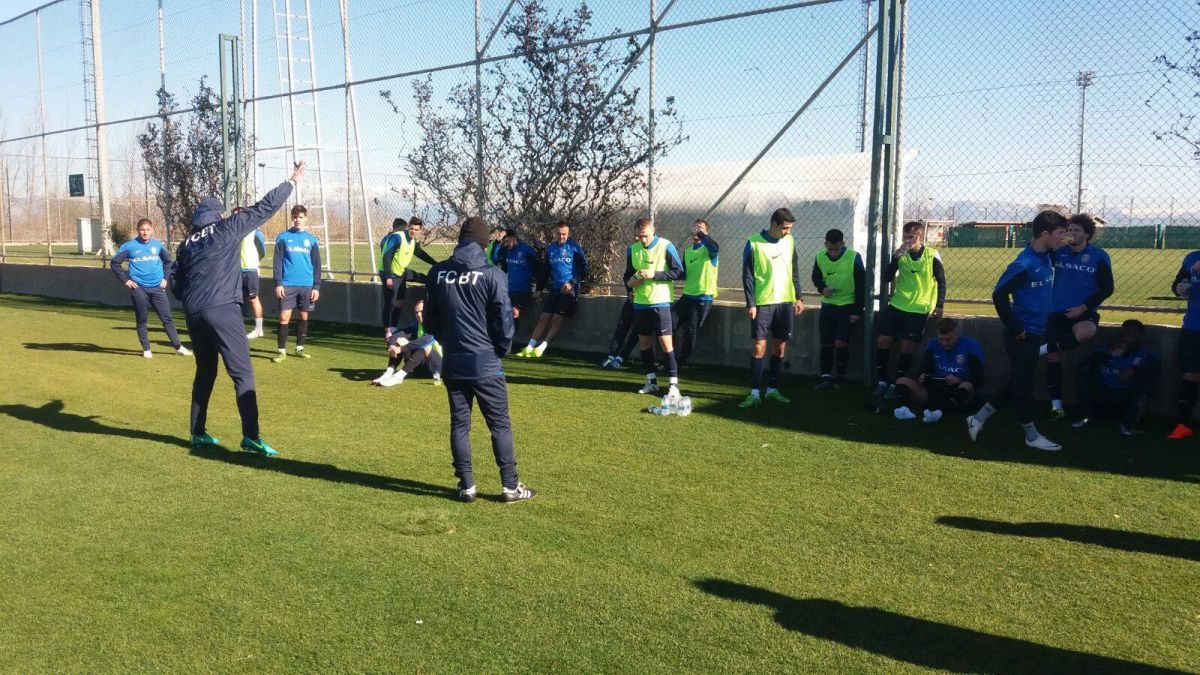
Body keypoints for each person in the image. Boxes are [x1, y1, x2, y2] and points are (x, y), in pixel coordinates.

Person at [171, 161, 306, 457]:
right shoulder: (226, 228)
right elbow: (264, 207)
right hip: (222, 308)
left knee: (205, 372)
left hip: (193, 313)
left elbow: (176, 286)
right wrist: (292, 181)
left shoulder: (186, 244)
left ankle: (197, 432)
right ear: (219, 215)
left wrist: (194, 298)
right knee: (242, 373)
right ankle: (251, 437)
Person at [424, 216, 535, 503]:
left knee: (459, 424)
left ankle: (467, 486)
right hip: (486, 362)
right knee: (499, 425)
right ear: (484, 244)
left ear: (460, 240)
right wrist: (500, 348)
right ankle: (510, 486)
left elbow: (430, 319)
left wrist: (446, 341)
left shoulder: (437, 273)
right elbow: (504, 320)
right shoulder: (493, 274)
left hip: (453, 361)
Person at [966, 210, 1068, 451]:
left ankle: (977, 419)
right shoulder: (1024, 264)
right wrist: (1015, 328)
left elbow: (1058, 246)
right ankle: (1031, 436)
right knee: (1023, 387)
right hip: (1022, 335)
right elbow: (999, 295)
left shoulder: (1046, 254)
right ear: (1045, 234)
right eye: (1059, 234)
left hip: (1035, 332)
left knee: (1017, 381)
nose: (1062, 238)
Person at [1042, 213, 1113, 418]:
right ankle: (1056, 406)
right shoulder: (1059, 252)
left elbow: (1107, 288)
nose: (1072, 233)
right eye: (1069, 230)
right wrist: (1054, 244)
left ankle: (1042, 349)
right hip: (1056, 311)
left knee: (1086, 332)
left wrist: (1083, 308)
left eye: (1077, 230)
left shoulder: (1099, 256)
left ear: (1087, 234)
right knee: (1053, 359)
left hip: (1083, 311)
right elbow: (1036, 249)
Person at [871, 221, 946, 403]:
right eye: (904, 237)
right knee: (882, 340)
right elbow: (886, 278)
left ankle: (898, 383)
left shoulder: (931, 255)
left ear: (920, 237)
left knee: (907, 345)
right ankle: (882, 381)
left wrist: (939, 305)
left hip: (920, 307)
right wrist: (895, 259)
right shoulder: (901, 254)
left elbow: (941, 281)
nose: (907, 241)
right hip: (898, 303)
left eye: (910, 237)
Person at [739, 208, 804, 408]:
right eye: (785, 228)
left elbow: (794, 269)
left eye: (790, 228)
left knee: (779, 346)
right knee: (759, 346)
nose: (788, 232)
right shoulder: (753, 242)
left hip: (785, 303)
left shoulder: (789, 241)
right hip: (763, 303)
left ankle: (773, 389)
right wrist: (750, 303)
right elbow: (747, 276)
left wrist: (799, 297)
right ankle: (754, 392)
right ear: (774, 225)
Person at [110, 218, 191, 358]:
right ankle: (146, 349)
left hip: (157, 288)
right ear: (137, 230)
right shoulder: (130, 246)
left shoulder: (157, 245)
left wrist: (165, 278)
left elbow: (167, 261)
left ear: (152, 230)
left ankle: (178, 347)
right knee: (142, 319)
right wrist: (126, 280)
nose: (145, 232)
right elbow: (115, 263)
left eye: (147, 229)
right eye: (142, 229)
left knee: (167, 318)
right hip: (139, 287)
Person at [624, 217, 684, 397]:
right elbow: (628, 275)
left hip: (661, 303)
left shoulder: (666, 246)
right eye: (639, 236)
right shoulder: (632, 249)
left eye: (646, 236)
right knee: (644, 343)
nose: (643, 240)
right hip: (640, 304)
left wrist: (654, 274)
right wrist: (630, 289)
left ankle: (673, 385)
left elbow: (678, 272)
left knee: (666, 343)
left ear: (653, 231)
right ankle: (651, 381)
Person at [1071, 319, 1159, 436]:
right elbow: (1085, 364)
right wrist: (1107, 354)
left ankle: (1128, 424)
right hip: (1101, 396)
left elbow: (1155, 369)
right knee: (1084, 371)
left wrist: (1135, 371)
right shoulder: (1105, 350)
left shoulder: (1147, 355)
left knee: (1146, 381)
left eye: (1130, 336)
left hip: (1124, 399)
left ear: (1139, 337)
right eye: (1123, 334)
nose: (1124, 338)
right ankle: (1085, 416)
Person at [892, 318, 984, 423]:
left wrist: (959, 380)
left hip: (957, 391)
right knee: (902, 381)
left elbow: (978, 379)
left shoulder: (971, 346)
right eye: (941, 339)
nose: (944, 343)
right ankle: (903, 409)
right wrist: (923, 376)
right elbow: (924, 369)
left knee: (967, 386)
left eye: (948, 339)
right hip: (934, 389)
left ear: (957, 334)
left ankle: (940, 413)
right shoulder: (933, 344)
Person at [518, 221, 588, 358]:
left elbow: (584, 271)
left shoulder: (574, 248)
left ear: (568, 234)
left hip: (570, 289)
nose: (561, 237)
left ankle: (541, 348)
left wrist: (572, 282)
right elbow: (545, 271)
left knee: (557, 318)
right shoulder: (551, 249)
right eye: (559, 234)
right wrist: (539, 288)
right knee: (544, 317)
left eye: (564, 234)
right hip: (555, 288)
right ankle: (529, 347)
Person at [811, 228, 864, 389]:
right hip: (828, 305)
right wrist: (822, 289)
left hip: (847, 305)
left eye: (836, 249)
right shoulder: (820, 256)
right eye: (830, 249)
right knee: (826, 341)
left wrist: (857, 310)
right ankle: (825, 377)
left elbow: (862, 284)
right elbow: (816, 277)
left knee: (841, 342)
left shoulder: (854, 257)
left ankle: (840, 378)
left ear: (842, 244)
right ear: (825, 244)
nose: (833, 253)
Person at [272, 205, 322, 362]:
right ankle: (281, 351)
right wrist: (278, 283)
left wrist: (316, 286)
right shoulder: (283, 237)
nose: (297, 220)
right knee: (284, 317)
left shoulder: (311, 240)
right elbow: (277, 262)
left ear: (305, 218)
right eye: (295, 217)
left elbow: (317, 265)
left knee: (303, 315)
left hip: (307, 285)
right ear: (291, 218)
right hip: (287, 284)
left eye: (300, 217)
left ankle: (299, 348)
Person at [378, 217, 440, 339]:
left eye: (416, 230)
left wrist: (435, 264)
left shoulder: (412, 241)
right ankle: (387, 332)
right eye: (412, 228)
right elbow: (386, 257)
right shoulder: (397, 237)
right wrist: (388, 277)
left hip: (401, 272)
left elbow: (420, 253)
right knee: (390, 302)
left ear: (420, 230)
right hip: (390, 274)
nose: (413, 231)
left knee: (400, 300)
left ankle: (394, 327)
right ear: (408, 227)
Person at [674, 218, 719, 367]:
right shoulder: (688, 252)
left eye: (700, 228)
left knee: (690, 331)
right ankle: (671, 359)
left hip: (702, 298)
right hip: (687, 297)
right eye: (694, 227)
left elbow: (715, 248)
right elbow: (682, 274)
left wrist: (701, 234)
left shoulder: (709, 250)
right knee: (668, 322)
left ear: (706, 232)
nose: (696, 229)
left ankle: (679, 363)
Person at [370, 299, 443, 387]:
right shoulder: (417, 325)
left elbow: (424, 341)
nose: (418, 314)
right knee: (400, 340)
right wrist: (391, 346)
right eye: (416, 312)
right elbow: (395, 336)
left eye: (422, 311)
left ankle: (398, 377)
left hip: (438, 368)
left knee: (426, 347)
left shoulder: (435, 325)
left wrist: (401, 348)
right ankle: (388, 373)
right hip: (419, 369)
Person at [1168, 251, 1200, 439]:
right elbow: (1177, 285)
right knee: (1190, 373)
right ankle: (1183, 425)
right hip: (1193, 326)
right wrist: (1180, 288)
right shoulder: (1192, 258)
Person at [496, 227, 540, 330]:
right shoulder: (506, 250)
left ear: (514, 238)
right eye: (504, 242)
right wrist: (498, 242)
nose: (506, 244)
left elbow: (537, 268)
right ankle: (511, 335)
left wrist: (539, 288)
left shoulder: (526, 250)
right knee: (505, 314)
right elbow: (495, 258)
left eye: (507, 241)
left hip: (523, 289)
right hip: (510, 289)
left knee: (514, 312)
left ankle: (511, 334)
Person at [238, 211, 268, 339]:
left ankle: (258, 329)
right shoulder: (232, 231)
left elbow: (262, 251)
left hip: (250, 271)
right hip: (236, 271)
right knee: (235, 301)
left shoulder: (255, 231)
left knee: (253, 299)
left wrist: (254, 261)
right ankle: (237, 329)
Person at [599, 290, 642, 369]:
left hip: (646, 303)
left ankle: (620, 358)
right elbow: (628, 282)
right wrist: (630, 291)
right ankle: (611, 356)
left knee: (636, 332)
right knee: (621, 328)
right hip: (632, 299)